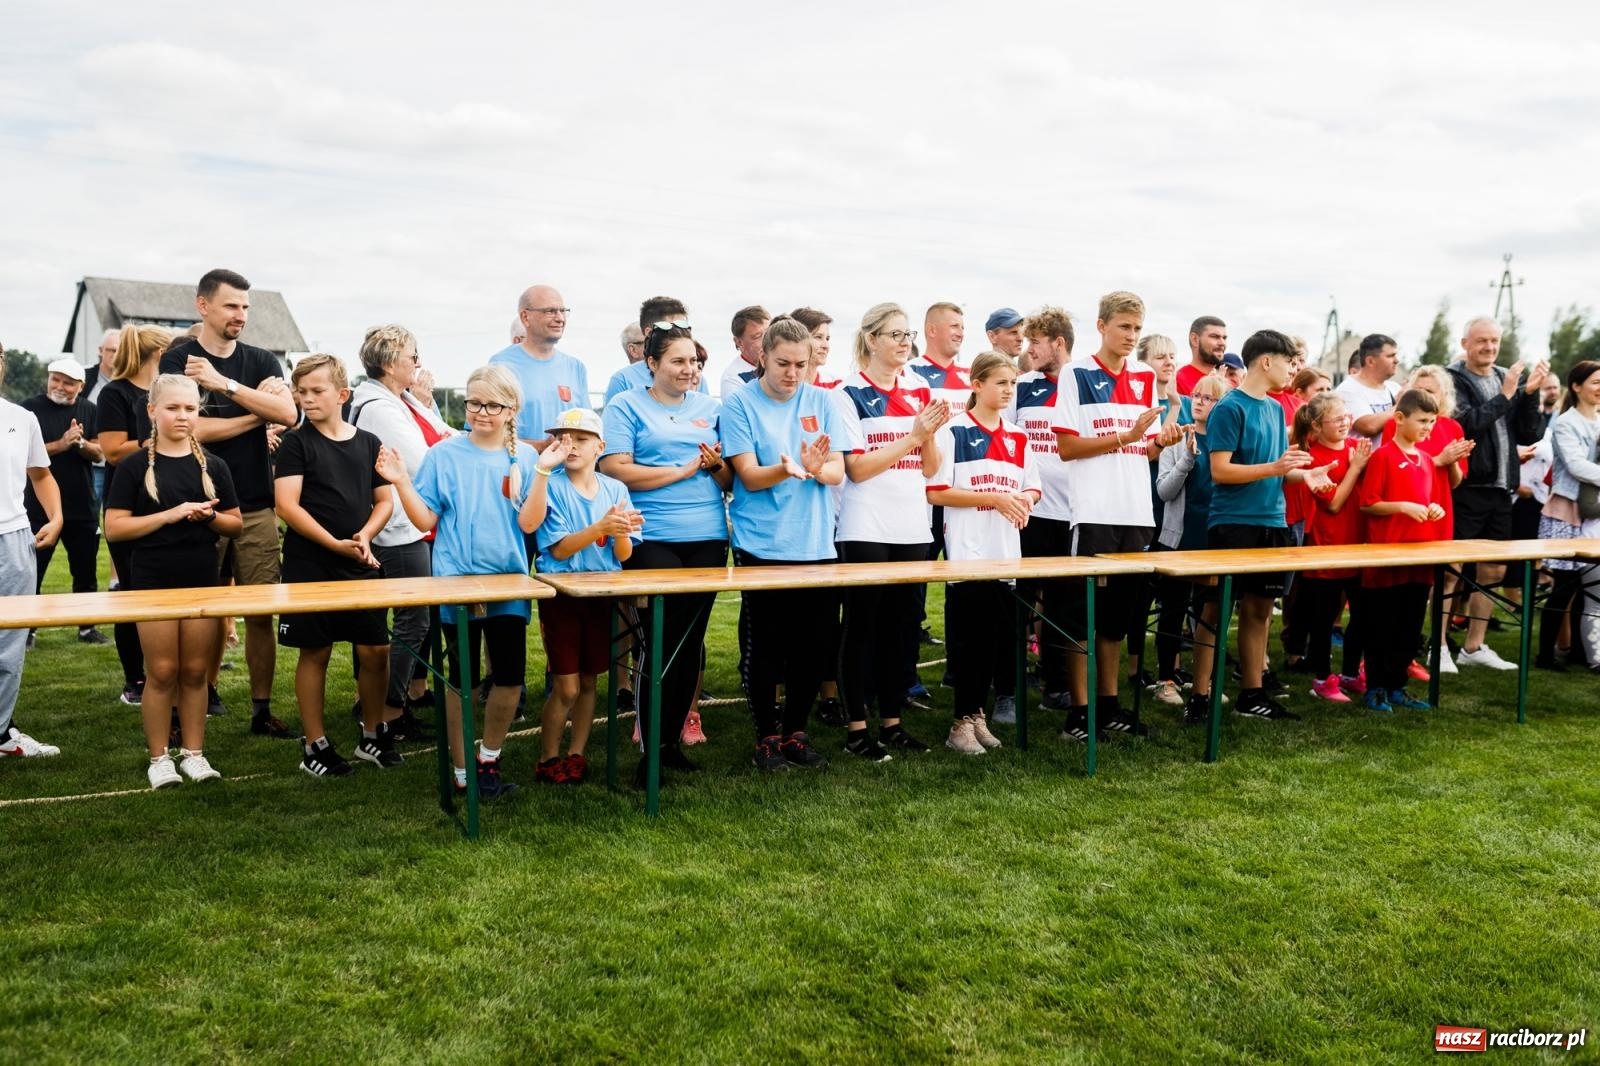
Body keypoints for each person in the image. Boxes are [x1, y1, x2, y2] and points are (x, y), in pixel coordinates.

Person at [376, 365, 552, 800]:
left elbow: (530, 522)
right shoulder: (445, 454)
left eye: (493, 405)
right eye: (475, 402)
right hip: (456, 581)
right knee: (461, 681)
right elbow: (425, 520)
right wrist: (400, 482)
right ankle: (460, 769)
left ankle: (488, 758)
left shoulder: (526, 460)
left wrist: (545, 473)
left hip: (509, 583)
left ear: (512, 410)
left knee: (509, 677)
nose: (482, 412)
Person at [158, 268, 298, 739]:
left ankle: (261, 710)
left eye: (245, 307)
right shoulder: (177, 360)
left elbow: (288, 413)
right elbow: (186, 428)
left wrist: (223, 385)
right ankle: (184, 707)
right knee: (197, 608)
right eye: (231, 306)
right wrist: (253, 418)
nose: (240, 315)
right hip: (196, 504)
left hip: (256, 502)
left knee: (260, 611)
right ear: (203, 306)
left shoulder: (261, 359)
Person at [600, 324, 732, 782]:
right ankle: (650, 751)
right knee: (660, 643)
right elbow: (616, 468)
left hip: (708, 537)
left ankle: (671, 744)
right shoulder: (625, 405)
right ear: (651, 363)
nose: (688, 370)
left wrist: (715, 468)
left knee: (690, 644)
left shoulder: (710, 408)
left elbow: (729, 479)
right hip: (650, 536)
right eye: (677, 361)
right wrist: (680, 470)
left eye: (694, 361)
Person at [1050, 291, 1182, 740]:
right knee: (1080, 616)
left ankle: (1108, 708)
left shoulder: (1146, 375)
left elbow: (1141, 450)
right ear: (1102, 324)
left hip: (1135, 512)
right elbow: (1067, 447)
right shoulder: (1076, 373)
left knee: (1116, 620)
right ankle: (1078, 714)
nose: (1131, 336)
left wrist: (1161, 442)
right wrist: (1125, 437)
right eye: (1124, 327)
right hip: (1093, 512)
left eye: (1137, 329)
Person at [104, 374, 242, 787]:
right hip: (152, 581)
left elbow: (235, 524)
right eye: (172, 408)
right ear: (152, 412)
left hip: (201, 578)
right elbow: (114, 529)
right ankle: (159, 757)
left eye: (189, 408)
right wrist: (168, 514)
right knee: (162, 671)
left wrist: (210, 517)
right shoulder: (132, 467)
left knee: (196, 671)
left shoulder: (214, 466)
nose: (182, 416)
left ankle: (195, 755)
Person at [720, 316, 845, 771]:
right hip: (763, 544)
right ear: (761, 358)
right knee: (767, 647)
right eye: (783, 363)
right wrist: (788, 468)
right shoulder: (739, 405)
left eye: (801, 364)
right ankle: (766, 738)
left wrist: (813, 467)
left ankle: (795, 732)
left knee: (813, 647)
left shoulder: (823, 400)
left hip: (816, 544)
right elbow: (748, 477)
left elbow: (836, 471)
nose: (793, 373)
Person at [834, 303, 949, 760]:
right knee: (862, 627)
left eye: (908, 336)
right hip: (866, 525)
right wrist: (913, 434)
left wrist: (929, 435)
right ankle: (857, 728)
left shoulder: (919, 387)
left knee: (902, 631)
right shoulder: (847, 393)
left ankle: (893, 722)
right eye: (896, 335)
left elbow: (930, 468)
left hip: (912, 525)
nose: (905, 343)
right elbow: (858, 469)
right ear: (871, 340)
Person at [272, 355, 396, 777]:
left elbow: (384, 501)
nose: (307, 399)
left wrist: (363, 537)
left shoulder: (369, 443)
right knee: (316, 652)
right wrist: (332, 544)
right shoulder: (295, 443)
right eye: (300, 392)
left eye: (316, 391)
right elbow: (286, 505)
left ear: (342, 394)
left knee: (376, 650)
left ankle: (372, 734)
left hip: (360, 562)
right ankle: (315, 745)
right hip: (311, 565)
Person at [1206, 329, 1334, 722]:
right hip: (1234, 523)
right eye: (1287, 362)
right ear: (1266, 361)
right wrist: (1279, 468)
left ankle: (1252, 693)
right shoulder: (1230, 407)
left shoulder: (1277, 409)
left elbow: (1277, 470)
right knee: (1216, 612)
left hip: (1272, 521)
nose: (1292, 370)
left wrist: (1305, 477)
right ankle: (1201, 694)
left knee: (1260, 610)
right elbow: (1220, 471)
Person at [927, 352, 1039, 754]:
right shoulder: (953, 431)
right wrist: (993, 498)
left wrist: (1022, 498)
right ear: (976, 384)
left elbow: (1032, 486)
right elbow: (937, 491)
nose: (1008, 390)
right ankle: (959, 724)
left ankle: (976, 717)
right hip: (968, 554)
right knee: (968, 644)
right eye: (1000, 382)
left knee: (995, 642)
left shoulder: (1018, 436)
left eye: (1012, 383)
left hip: (1005, 553)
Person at [348, 325, 451, 739]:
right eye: (412, 355)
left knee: (409, 619)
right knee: (412, 618)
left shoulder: (404, 400)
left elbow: (444, 434)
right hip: (396, 528)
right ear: (390, 363)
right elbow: (420, 460)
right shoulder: (378, 408)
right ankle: (389, 709)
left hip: (408, 522)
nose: (418, 363)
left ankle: (382, 701)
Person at [533, 408, 642, 784]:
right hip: (562, 595)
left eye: (580, 439)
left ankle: (576, 752)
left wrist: (620, 530)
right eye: (563, 439)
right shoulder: (553, 486)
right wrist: (601, 525)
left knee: (592, 678)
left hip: (602, 594)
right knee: (566, 685)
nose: (571, 446)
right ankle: (548, 756)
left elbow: (624, 554)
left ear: (601, 446)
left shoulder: (616, 490)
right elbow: (559, 550)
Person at [1445, 317, 1549, 670]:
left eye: (1494, 341)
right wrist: (1507, 394)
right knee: (1450, 570)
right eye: (1481, 341)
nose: (1489, 348)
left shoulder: (1505, 376)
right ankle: (1438, 645)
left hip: (1502, 489)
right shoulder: (1453, 379)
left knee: (1492, 570)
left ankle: (1474, 647)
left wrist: (1530, 394)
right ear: (1465, 343)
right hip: (1467, 487)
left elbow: (1528, 431)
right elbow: (1466, 425)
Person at [1357, 389, 1448, 711]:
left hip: (1418, 558)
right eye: (1422, 420)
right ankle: (1376, 687)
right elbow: (1368, 504)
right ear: (1399, 418)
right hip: (1386, 557)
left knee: (1410, 628)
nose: (1428, 427)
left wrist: (1432, 509)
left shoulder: (1425, 460)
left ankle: (1397, 686)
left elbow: (1427, 502)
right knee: (1382, 624)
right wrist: (1403, 507)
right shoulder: (1383, 457)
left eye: (1432, 421)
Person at [97, 324, 171, 704]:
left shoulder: (165, 393)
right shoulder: (116, 392)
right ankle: (135, 680)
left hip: (167, 501)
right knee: (132, 593)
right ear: (158, 354)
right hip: (127, 502)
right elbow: (110, 450)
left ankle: (166, 669)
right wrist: (156, 441)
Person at [1009, 307, 1076, 715]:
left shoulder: (1082, 383)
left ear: (1059, 343)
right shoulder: (1020, 387)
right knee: (1022, 603)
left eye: (1035, 341)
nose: (1027, 347)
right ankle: (1011, 688)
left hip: (1072, 512)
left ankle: (1057, 686)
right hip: (1029, 511)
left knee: (1064, 605)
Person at [0, 341, 64, 758]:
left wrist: (55, 517)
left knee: (9, 647)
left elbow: (40, 475)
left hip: (14, 541)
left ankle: (1, 733)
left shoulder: (21, 418)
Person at [1154, 375, 1229, 717]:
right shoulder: (1176, 438)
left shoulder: (1225, 440)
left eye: (1209, 398)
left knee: (1208, 614)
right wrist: (1186, 459)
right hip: (1178, 541)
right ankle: (1166, 679)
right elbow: (1164, 492)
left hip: (1213, 541)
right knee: (1172, 610)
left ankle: (1204, 682)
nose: (1199, 402)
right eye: (1196, 395)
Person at [1292, 393, 1372, 703]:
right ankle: (1323, 678)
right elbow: (1335, 504)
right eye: (1336, 419)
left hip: (1358, 547)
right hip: (1326, 548)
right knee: (1324, 620)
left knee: (1362, 615)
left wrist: (1362, 465)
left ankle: (1351, 673)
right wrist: (1355, 469)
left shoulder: (1356, 449)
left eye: (1346, 417)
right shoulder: (1314, 458)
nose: (1344, 423)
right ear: (1316, 425)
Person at [22, 358, 107, 644]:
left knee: (85, 570)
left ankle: (87, 627)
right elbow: (22, 454)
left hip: (82, 504)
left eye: (67, 382)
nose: (59, 386)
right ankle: (27, 629)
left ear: (80, 386)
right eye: (55, 379)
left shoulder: (90, 410)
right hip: (38, 507)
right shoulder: (29, 409)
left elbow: (100, 454)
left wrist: (80, 443)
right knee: (33, 571)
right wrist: (61, 444)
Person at [1537, 361, 1600, 672]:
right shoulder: (1566, 423)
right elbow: (1576, 466)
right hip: (1566, 509)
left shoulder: (1598, 420)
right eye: (1595, 382)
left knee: (1587, 586)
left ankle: (1578, 649)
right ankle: (1545, 654)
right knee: (1564, 586)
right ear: (1576, 387)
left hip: (1593, 511)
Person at [490, 285, 590, 453]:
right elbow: (486, 435)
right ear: (525, 317)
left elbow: (587, 428)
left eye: (563, 311)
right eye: (550, 311)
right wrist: (540, 448)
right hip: (522, 475)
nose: (560, 318)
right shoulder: (501, 366)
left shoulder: (575, 367)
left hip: (567, 477)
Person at [604, 297, 708, 404]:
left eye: (684, 328)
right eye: (673, 329)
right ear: (649, 333)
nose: (680, 335)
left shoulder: (694, 377)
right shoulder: (623, 380)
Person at [1335, 334, 1401, 439]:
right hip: (1364, 455)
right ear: (1370, 361)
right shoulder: (1347, 390)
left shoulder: (1395, 388)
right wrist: (1401, 405)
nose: (1397, 360)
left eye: (1396, 355)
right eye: (1390, 356)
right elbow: (1369, 426)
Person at [717, 305, 771, 398]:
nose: (768, 340)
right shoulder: (733, 380)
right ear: (739, 342)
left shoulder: (783, 365)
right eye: (757, 336)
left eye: (769, 332)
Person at [1176, 316, 1227, 396]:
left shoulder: (1226, 382)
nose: (1222, 343)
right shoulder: (1178, 382)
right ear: (1195, 339)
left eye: (1224, 338)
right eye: (1214, 336)